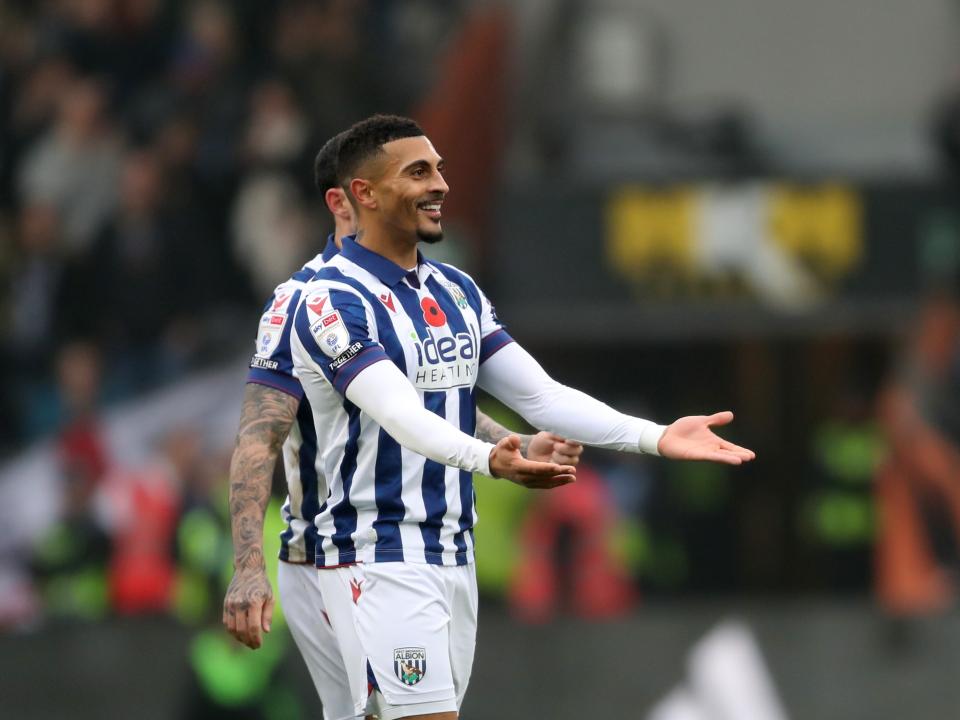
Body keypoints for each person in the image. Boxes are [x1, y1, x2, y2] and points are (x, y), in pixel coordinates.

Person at [289, 114, 755, 720]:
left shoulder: (453, 290)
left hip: (454, 552)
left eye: (440, 170)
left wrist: (658, 436)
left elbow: (542, 397)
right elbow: (400, 414)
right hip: (379, 553)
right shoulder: (330, 300)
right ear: (362, 194)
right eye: (418, 172)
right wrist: (492, 459)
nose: (441, 186)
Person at [222, 131, 583, 720]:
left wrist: (504, 442)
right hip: (343, 550)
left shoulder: (425, 289)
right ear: (346, 201)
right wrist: (246, 569)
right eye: (411, 178)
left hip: (436, 545)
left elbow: (422, 402)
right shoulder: (308, 301)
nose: (431, 191)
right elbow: (260, 435)